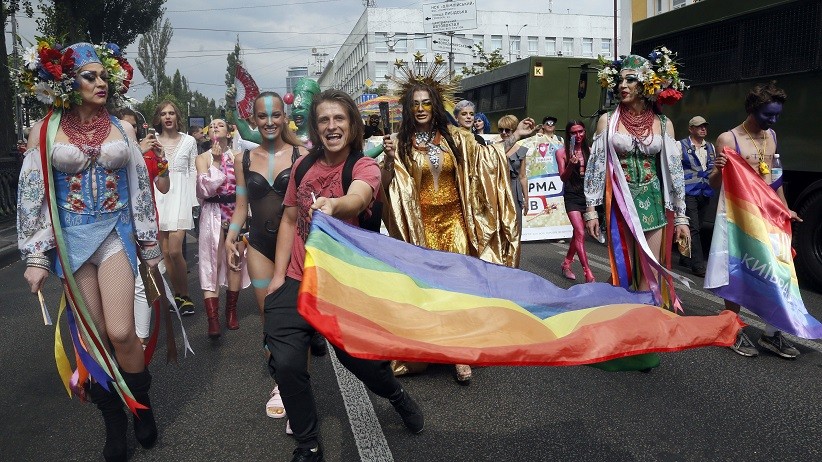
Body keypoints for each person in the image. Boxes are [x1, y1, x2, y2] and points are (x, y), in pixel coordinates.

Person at [17, 41, 159, 461]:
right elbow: (31, 195)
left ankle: (142, 407)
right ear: (65, 82)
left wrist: (149, 246)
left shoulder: (123, 127)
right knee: (94, 341)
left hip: (115, 234)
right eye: (90, 76)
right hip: (70, 242)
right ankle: (114, 424)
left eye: (104, 76)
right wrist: (37, 256)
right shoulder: (44, 130)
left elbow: (139, 188)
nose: (101, 83)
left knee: (119, 331)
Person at [265, 89, 424, 462]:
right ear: (314, 127)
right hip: (296, 278)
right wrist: (277, 277)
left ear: (351, 125)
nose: (331, 126)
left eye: (339, 119)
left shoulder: (362, 166)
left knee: (363, 363)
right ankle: (309, 444)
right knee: (287, 364)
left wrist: (335, 205)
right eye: (323, 120)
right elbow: (290, 219)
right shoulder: (303, 167)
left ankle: (397, 396)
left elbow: (358, 197)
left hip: (343, 285)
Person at [381, 56, 531, 383]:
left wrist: (515, 136)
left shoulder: (455, 137)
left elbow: (488, 160)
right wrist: (390, 161)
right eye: (415, 104)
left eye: (426, 102)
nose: (421, 108)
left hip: (456, 223)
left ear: (435, 105)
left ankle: (460, 353)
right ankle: (432, 346)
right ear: (408, 108)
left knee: (458, 290)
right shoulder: (402, 143)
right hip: (421, 230)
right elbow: (391, 187)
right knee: (428, 291)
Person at [225, 91, 309, 421]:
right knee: (269, 317)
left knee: (295, 319)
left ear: (284, 116)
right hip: (259, 246)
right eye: (263, 116)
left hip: (296, 248)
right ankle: (281, 380)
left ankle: (296, 387)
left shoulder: (303, 155)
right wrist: (231, 240)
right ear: (253, 120)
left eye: (276, 115)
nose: (270, 122)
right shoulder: (243, 160)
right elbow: (241, 208)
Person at [584, 51, 689, 309]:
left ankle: (642, 334)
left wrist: (682, 217)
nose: (622, 86)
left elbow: (675, 175)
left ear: (646, 84)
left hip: (654, 204)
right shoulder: (607, 122)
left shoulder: (664, 124)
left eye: (630, 80)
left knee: (650, 276)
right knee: (624, 272)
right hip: (620, 205)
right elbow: (596, 166)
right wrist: (590, 210)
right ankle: (619, 328)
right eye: (620, 80)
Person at [710, 82, 803, 359]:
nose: (772, 120)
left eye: (776, 115)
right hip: (738, 216)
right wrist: (716, 171)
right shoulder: (728, 139)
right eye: (767, 115)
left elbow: (775, 177)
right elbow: (716, 184)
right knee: (737, 269)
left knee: (778, 270)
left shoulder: (771, 135)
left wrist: (785, 208)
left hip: (768, 215)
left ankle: (772, 334)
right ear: (753, 109)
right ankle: (732, 329)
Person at [114, 107, 171, 346]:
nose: (130, 130)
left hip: (145, 226)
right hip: (116, 227)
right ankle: (121, 332)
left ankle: (141, 339)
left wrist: (162, 160)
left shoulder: (149, 154)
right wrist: (137, 151)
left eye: (134, 126)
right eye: (124, 126)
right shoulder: (112, 154)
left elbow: (164, 187)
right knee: (122, 281)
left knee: (143, 281)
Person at [195, 119, 249, 338]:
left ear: (229, 132)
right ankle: (213, 318)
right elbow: (204, 189)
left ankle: (231, 310)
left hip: (235, 211)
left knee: (235, 261)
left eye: (220, 125)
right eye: (212, 126)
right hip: (212, 213)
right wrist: (216, 163)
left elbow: (244, 189)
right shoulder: (202, 158)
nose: (215, 127)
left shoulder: (239, 157)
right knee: (212, 263)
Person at [152, 101, 198, 315]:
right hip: (159, 196)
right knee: (166, 254)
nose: (168, 117)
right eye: (163, 113)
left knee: (175, 250)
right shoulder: (153, 143)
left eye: (171, 113)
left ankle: (186, 294)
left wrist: (193, 201)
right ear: (159, 118)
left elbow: (193, 172)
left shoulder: (189, 141)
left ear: (177, 116)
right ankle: (176, 295)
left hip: (180, 196)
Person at [556, 120, 595, 283]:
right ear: (568, 134)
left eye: (580, 131)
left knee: (577, 234)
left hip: (587, 195)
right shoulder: (562, 152)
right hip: (571, 194)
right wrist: (571, 165)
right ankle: (588, 273)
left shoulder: (591, 151)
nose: (578, 135)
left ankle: (566, 264)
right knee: (580, 232)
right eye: (574, 133)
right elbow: (563, 178)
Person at [678, 116, 715, 277]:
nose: (703, 129)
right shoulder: (681, 146)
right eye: (699, 127)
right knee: (694, 228)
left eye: (704, 126)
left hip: (705, 191)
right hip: (688, 191)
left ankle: (684, 256)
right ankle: (698, 265)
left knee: (698, 225)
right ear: (691, 129)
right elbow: (675, 167)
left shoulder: (710, 147)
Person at [290, 78, 322, 145]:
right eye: (294, 108)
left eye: (301, 108)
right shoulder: (289, 141)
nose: (296, 112)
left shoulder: (322, 139)